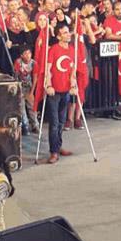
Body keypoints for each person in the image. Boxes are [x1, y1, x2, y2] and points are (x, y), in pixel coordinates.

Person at [43, 22, 82, 164]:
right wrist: (48, 85)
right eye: (65, 32)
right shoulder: (53, 49)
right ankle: (53, 151)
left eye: (68, 32)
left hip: (65, 90)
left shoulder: (72, 50)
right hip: (54, 91)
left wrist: (73, 84)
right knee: (54, 123)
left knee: (61, 122)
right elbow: (48, 70)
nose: (68, 35)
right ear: (59, 36)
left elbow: (72, 71)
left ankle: (58, 146)